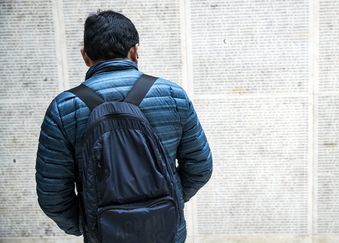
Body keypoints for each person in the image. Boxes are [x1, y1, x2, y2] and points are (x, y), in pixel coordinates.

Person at [35, 10, 212, 243]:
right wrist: (170, 201)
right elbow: (200, 167)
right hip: (166, 232)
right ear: (134, 51)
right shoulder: (173, 96)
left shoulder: (63, 109)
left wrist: (91, 222)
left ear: (85, 56)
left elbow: (53, 194)